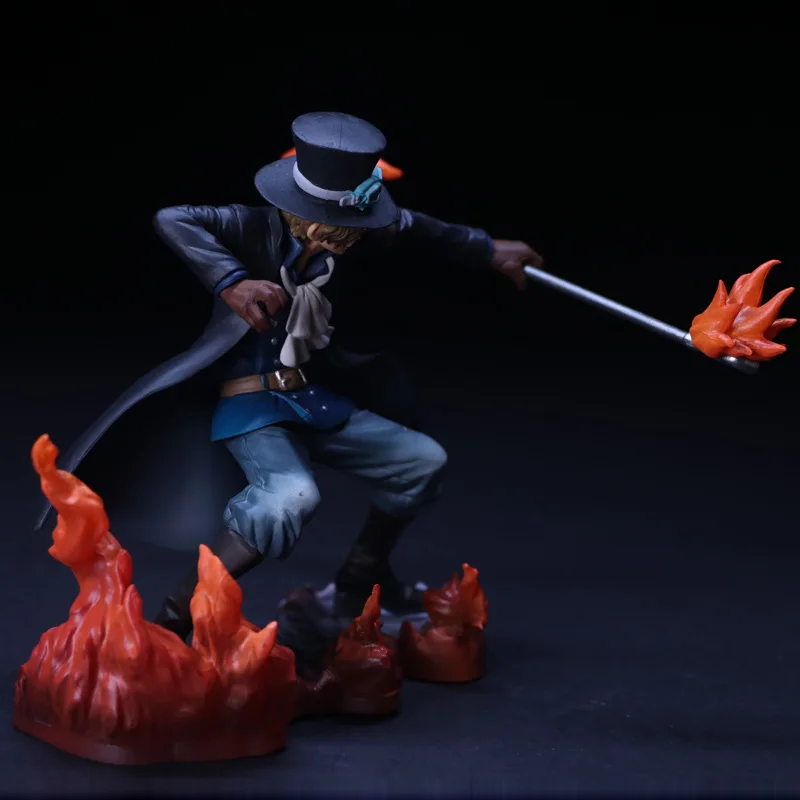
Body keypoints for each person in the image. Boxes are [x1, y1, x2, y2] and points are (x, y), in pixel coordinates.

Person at [38, 111, 542, 641]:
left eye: (358, 227)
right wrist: (232, 281)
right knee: (289, 497)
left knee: (420, 460)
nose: (355, 237)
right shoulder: (253, 227)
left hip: (311, 400)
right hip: (251, 406)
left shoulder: (356, 236)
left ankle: (356, 581)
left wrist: (489, 250)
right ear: (307, 217)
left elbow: (417, 227)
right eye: (343, 229)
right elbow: (173, 218)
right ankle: (170, 623)